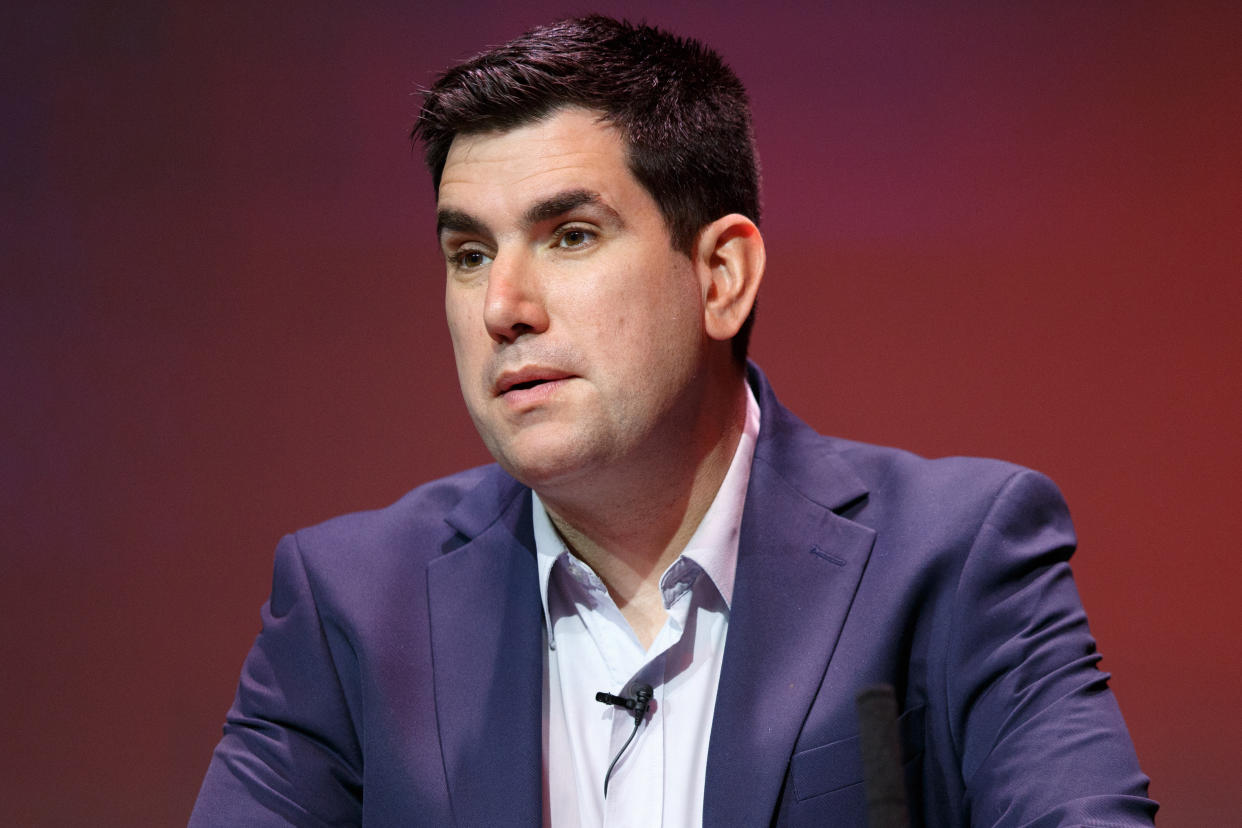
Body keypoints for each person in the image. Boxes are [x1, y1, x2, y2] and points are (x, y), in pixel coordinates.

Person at [190, 15, 1156, 826]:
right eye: (470, 253)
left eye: (570, 236)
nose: (502, 307)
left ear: (721, 276)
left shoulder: (953, 561)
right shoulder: (351, 608)